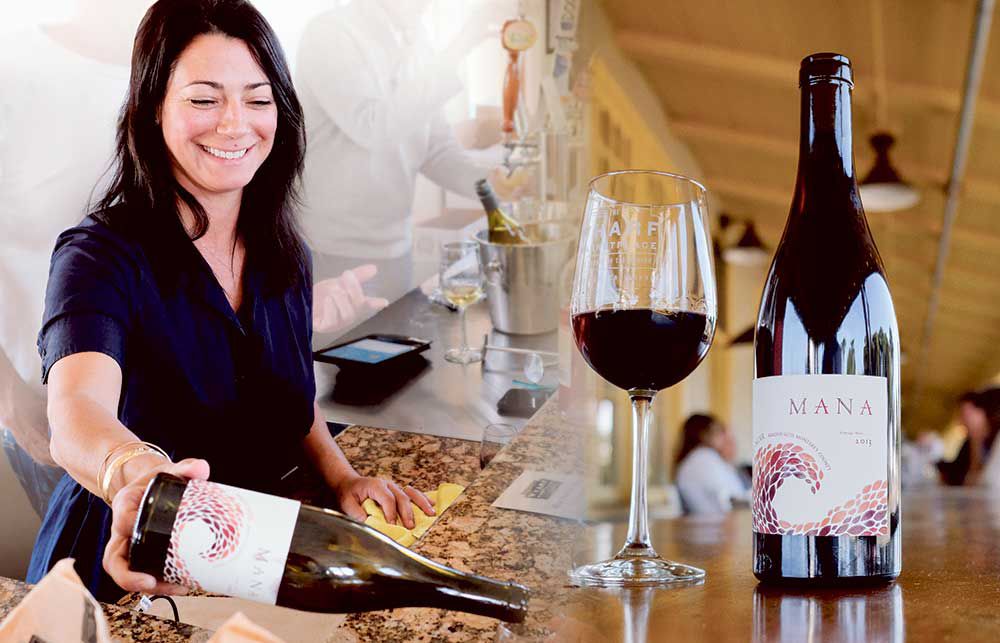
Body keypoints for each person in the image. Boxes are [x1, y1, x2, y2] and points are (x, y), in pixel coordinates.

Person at [27, 0, 433, 603]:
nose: (235, 124)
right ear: (152, 107)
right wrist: (136, 475)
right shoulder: (98, 255)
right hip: (125, 562)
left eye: (257, 99)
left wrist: (343, 476)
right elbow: (75, 411)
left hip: (249, 553)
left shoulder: (284, 252)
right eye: (204, 99)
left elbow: (289, 393)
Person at [0, 0, 155, 519]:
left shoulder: (193, 67)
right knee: (91, 569)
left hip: (186, 410)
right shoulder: (13, 73)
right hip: (54, 411)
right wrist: (9, 397)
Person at [294, 0, 505, 304]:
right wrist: (457, 50)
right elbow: (372, 125)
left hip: (396, 249)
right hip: (333, 254)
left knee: (399, 335)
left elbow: (436, 149)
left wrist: (491, 186)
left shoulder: (418, 41)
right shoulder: (331, 34)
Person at [673, 414, 749, 515]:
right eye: (718, 431)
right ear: (704, 434)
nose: (723, 437)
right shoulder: (704, 457)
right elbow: (733, 499)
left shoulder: (696, 459)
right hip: (717, 520)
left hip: (712, 519)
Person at [938, 388, 1000, 486]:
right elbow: (956, 472)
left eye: (965, 414)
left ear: (982, 412)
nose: (961, 422)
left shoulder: (997, 438)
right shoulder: (969, 443)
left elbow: (990, 480)